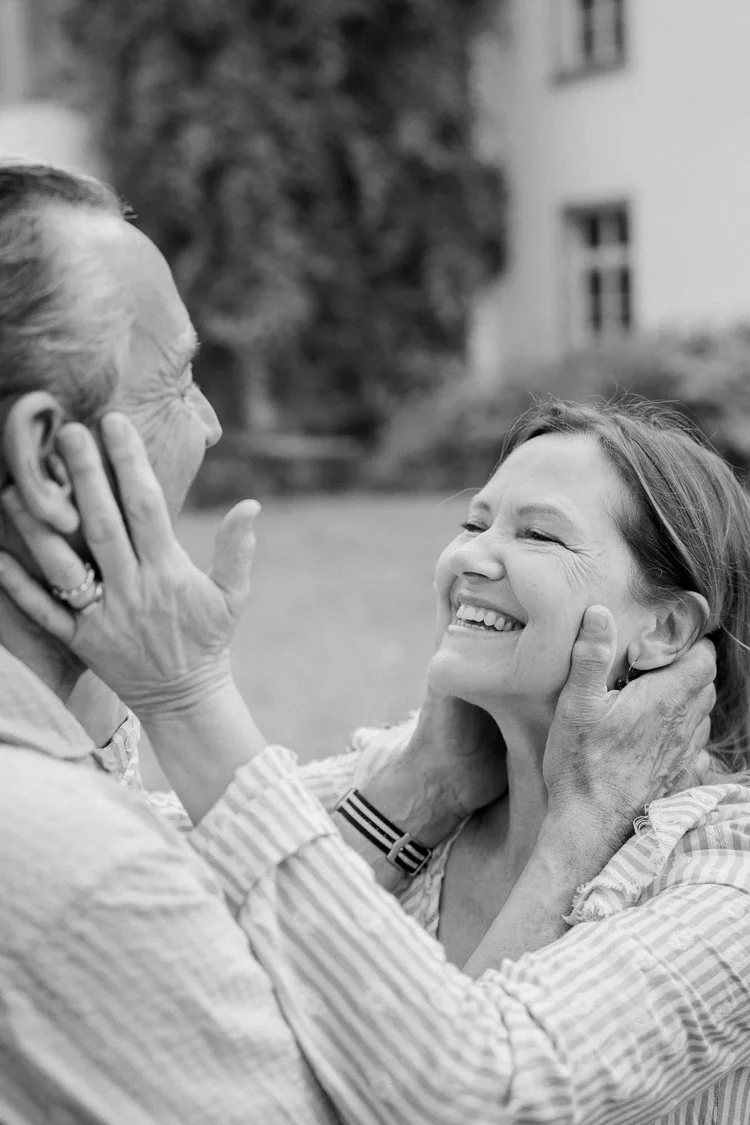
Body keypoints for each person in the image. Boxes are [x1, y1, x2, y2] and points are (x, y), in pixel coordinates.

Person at [0, 157, 742, 1125]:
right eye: (475, 521)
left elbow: (485, 1083)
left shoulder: (724, 855)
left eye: (539, 534)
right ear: (50, 458)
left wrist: (176, 690)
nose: (473, 557)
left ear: (670, 629)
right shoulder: (394, 781)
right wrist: (419, 794)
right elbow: (201, 919)